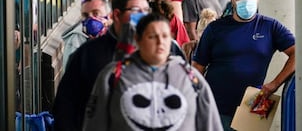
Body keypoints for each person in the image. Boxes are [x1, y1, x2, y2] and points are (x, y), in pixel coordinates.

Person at [82, 13, 223, 131]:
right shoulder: (113, 75)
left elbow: (210, 124)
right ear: (138, 39)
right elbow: (95, 123)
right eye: (152, 36)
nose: (160, 42)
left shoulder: (190, 77)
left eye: (165, 36)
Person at [191, 0, 296, 130]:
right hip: (216, 107)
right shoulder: (215, 28)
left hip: (255, 104)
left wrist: (275, 84)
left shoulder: (270, 26)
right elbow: (197, 67)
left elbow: (297, 53)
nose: (246, 0)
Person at [53, 0, 151, 131]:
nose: (144, 16)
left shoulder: (161, 48)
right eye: (137, 11)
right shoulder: (87, 54)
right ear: (116, 15)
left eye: (146, 11)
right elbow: (66, 105)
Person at [61, 0, 111, 73]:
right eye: (86, 15)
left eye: (96, 13)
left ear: (109, 15)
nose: (91, 18)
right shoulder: (76, 40)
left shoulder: (119, 38)